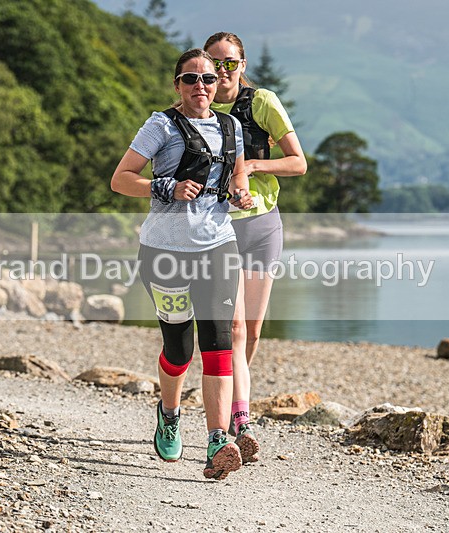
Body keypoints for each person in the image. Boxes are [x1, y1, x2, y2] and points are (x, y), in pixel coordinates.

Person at [110, 48, 254, 480]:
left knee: (219, 344)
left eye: (208, 79)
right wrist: (166, 186)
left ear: (219, 85)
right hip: (165, 253)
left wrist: (240, 194)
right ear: (177, 85)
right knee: (179, 350)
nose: (200, 87)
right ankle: (169, 412)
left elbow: (238, 175)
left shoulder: (231, 127)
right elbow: (121, 180)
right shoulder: (161, 125)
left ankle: (217, 440)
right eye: (190, 79)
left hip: (218, 248)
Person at [203, 32, 308, 463]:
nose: (222, 72)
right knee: (234, 328)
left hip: (263, 226)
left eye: (230, 63)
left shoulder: (261, 101)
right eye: (214, 63)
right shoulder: (198, 105)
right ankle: (237, 414)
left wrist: (251, 164)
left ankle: (231, 399)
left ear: (242, 65)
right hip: (218, 229)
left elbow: (298, 162)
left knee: (253, 328)